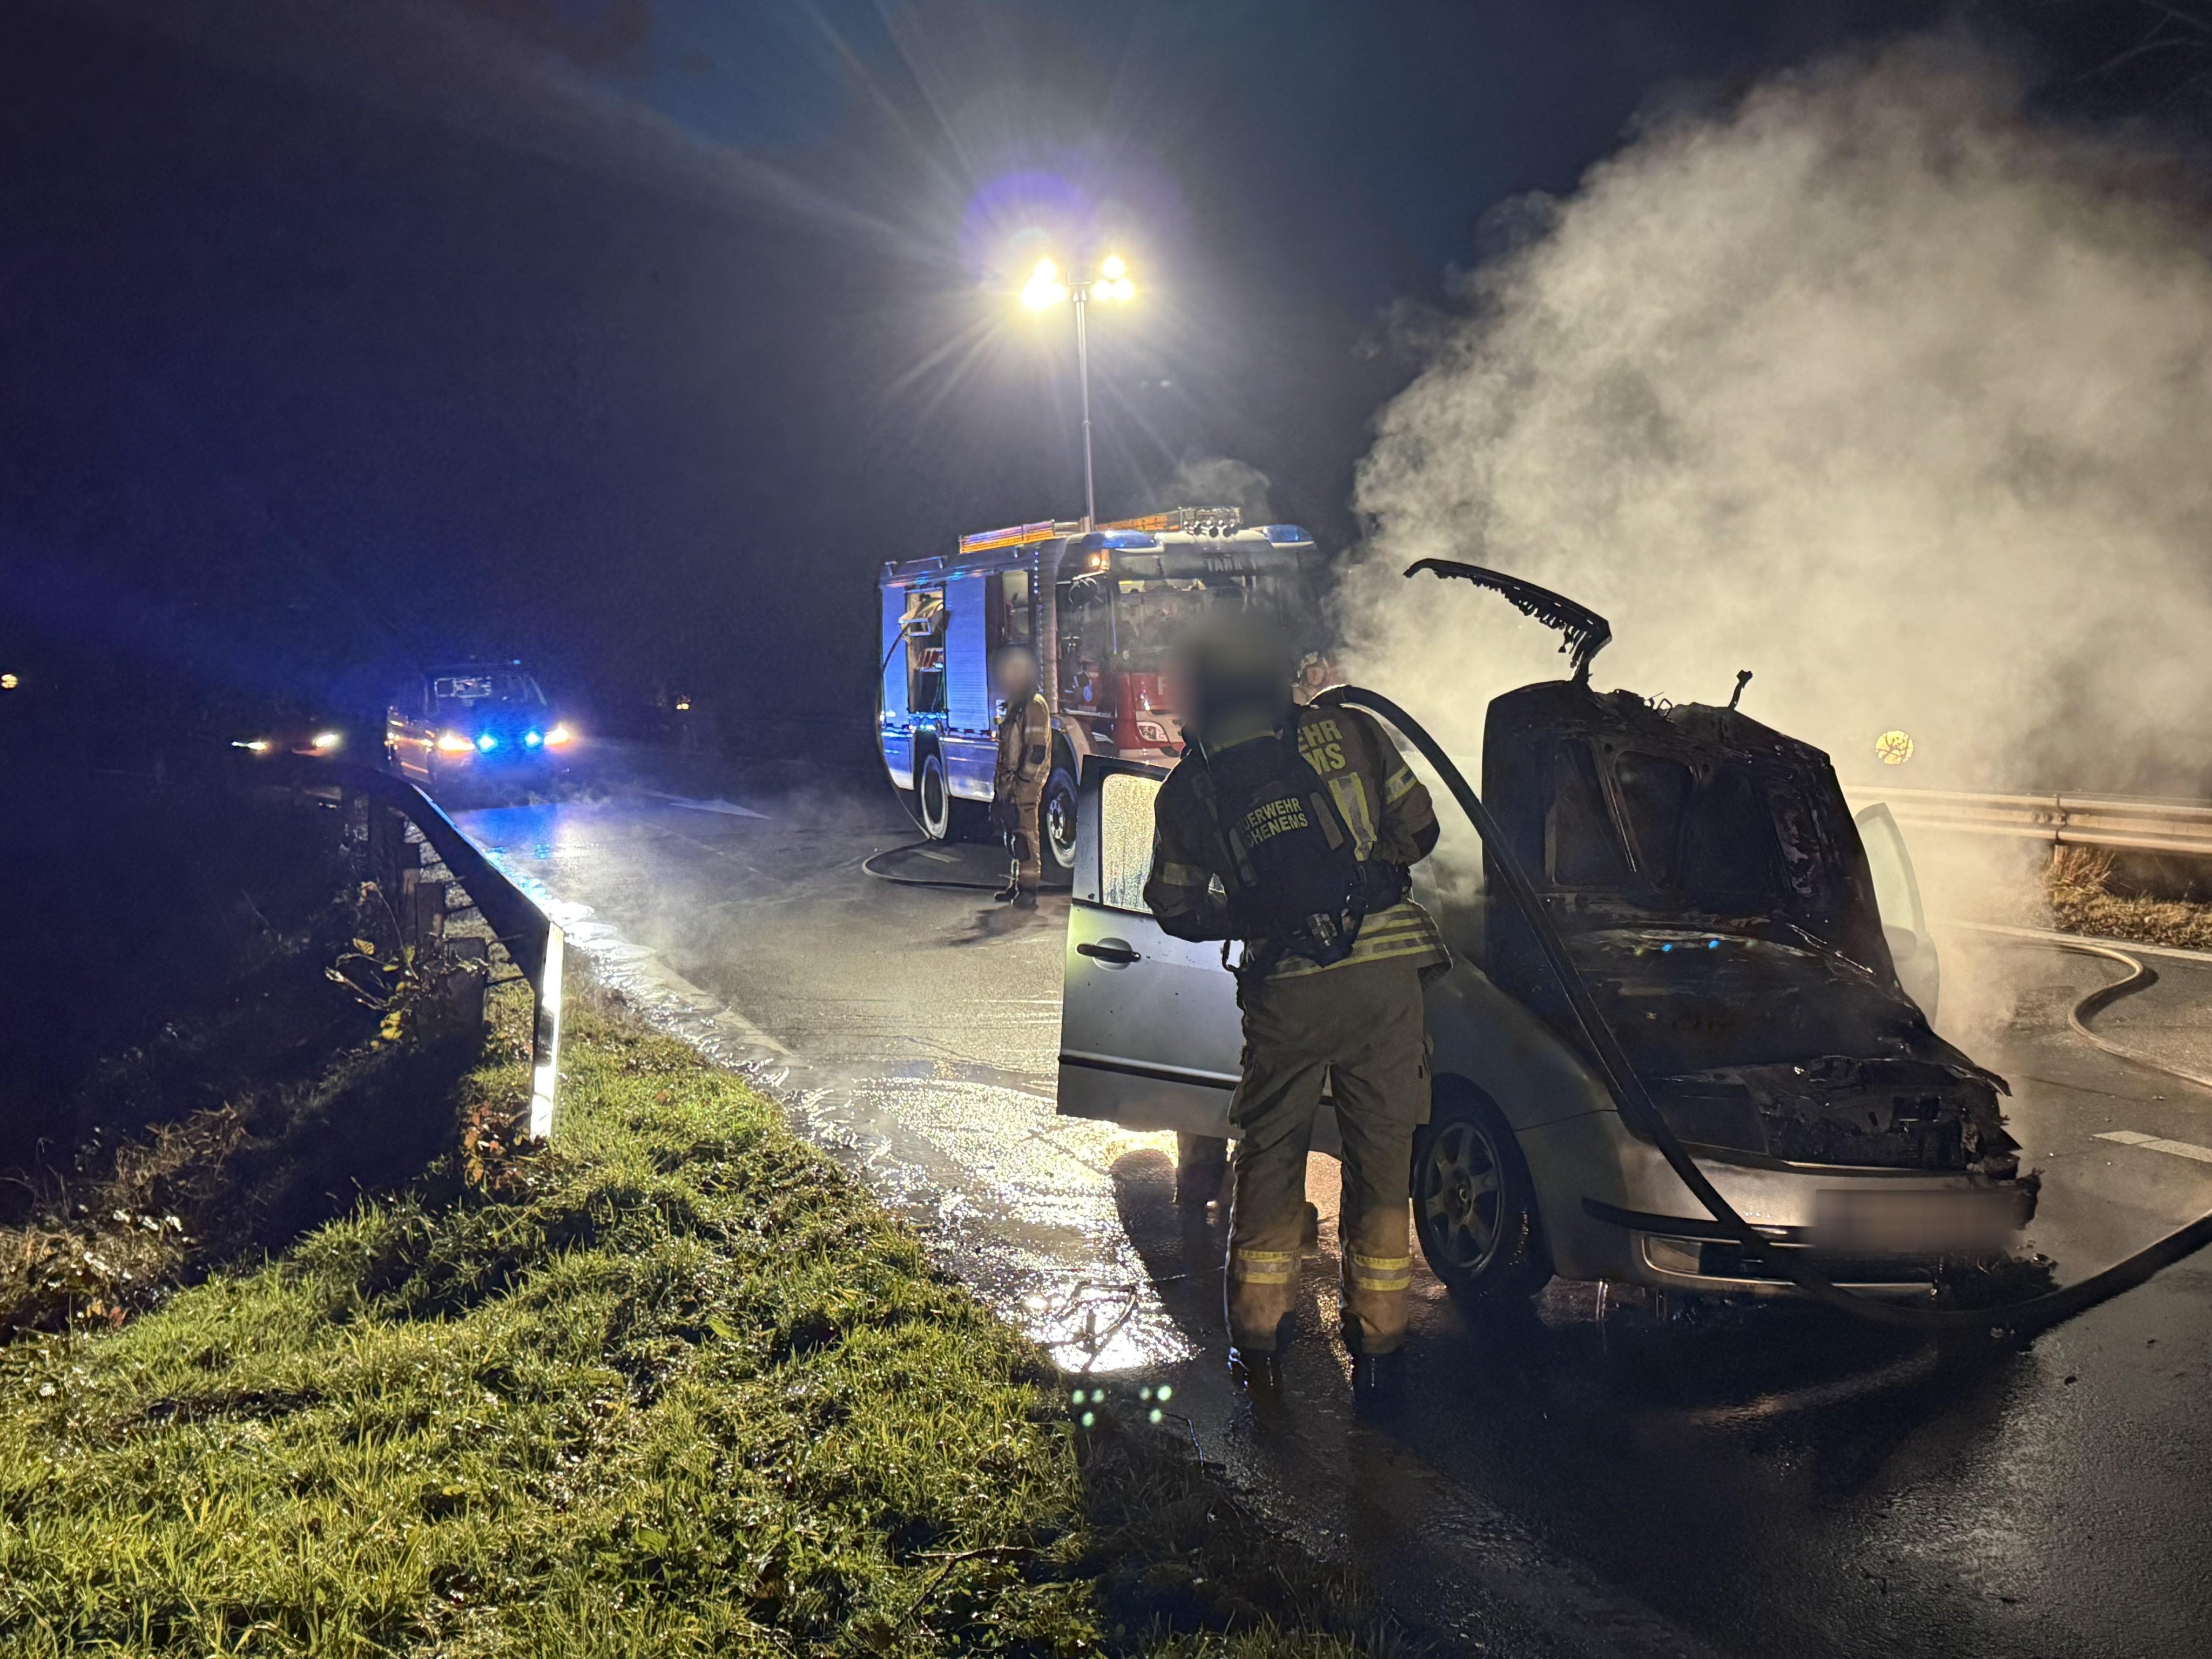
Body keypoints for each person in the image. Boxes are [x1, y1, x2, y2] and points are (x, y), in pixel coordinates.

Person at [1142, 616, 1446, 1402]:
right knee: (1382, 1168)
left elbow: (1173, 906)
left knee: (1272, 1159)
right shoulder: (1351, 731)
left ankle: (1259, 1339)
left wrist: (1253, 914)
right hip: (1384, 978)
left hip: (1285, 989)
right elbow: (1422, 830)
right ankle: (1379, 1347)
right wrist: (1364, 873)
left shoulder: (1193, 785)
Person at [990, 646, 1053, 906]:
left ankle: (1029, 890)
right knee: (1014, 834)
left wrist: (1024, 784)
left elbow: (1036, 752)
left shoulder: (1035, 705)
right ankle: (1016, 885)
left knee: (1026, 835)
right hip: (1010, 782)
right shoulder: (1017, 703)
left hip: (1024, 784)